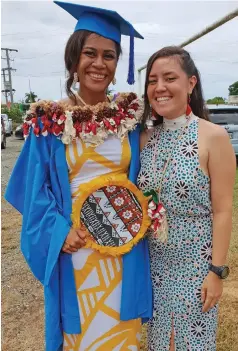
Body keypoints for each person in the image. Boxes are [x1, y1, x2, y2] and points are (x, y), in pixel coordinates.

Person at [5, 2, 152, 351]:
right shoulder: (49, 123)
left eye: (109, 55)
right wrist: (59, 230)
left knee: (122, 337)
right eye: (90, 53)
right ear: (74, 59)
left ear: (118, 65)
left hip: (123, 252)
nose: (99, 64)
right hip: (77, 251)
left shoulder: (129, 119)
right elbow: (27, 190)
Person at [137, 46, 236, 350]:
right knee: (158, 342)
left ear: (191, 83)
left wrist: (216, 272)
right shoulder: (144, 137)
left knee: (192, 344)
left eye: (170, 78)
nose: (160, 87)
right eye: (152, 80)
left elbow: (222, 211)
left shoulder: (213, 136)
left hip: (196, 267)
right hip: (153, 264)